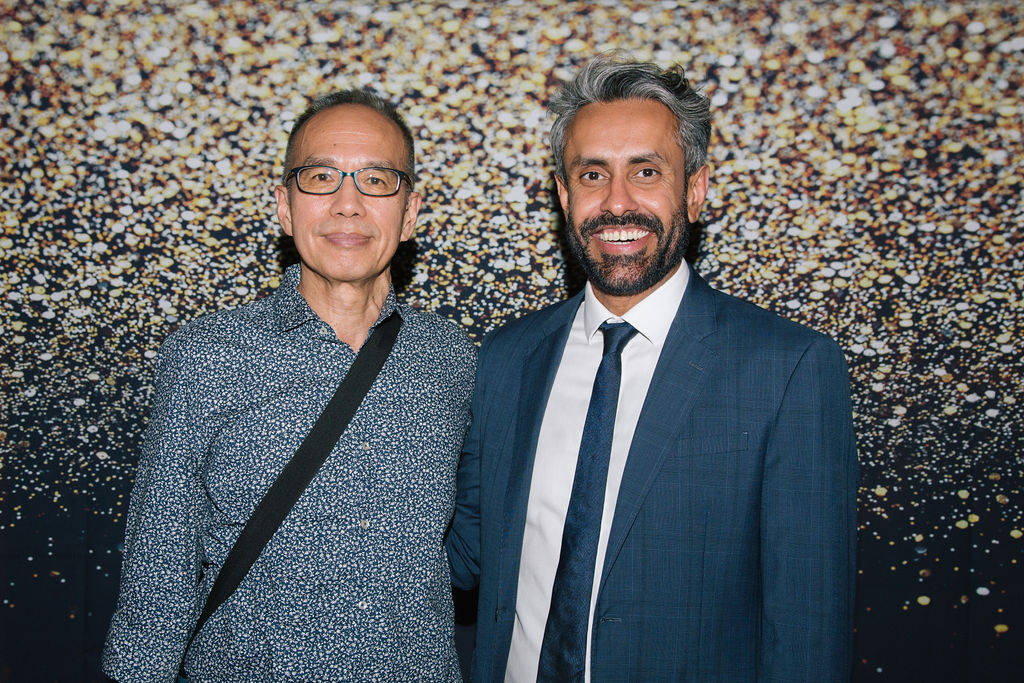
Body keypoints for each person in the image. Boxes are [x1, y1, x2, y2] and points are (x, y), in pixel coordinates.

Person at [446, 57, 858, 682]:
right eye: (592, 174)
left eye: (646, 172)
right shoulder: (506, 359)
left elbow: (807, 627)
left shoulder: (787, 369)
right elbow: (459, 553)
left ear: (694, 189)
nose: (617, 202)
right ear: (564, 195)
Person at [103, 90, 475, 682]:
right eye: (320, 177)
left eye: (377, 180)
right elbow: (160, 557)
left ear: (409, 213)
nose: (348, 204)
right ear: (284, 207)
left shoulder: (452, 358)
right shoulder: (207, 354)